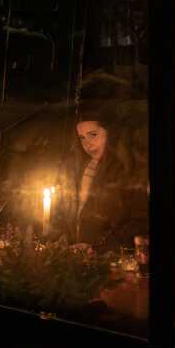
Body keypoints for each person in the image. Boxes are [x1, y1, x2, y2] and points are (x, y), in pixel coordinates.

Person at [52, 108, 147, 253]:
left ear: (111, 134)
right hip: (79, 256)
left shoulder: (128, 169)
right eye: (82, 137)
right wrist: (63, 236)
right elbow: (71, 211)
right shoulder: (81, 166)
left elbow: (138, 221)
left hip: (111, 257)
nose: (87, 144)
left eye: (93, 135)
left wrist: (99, 248)